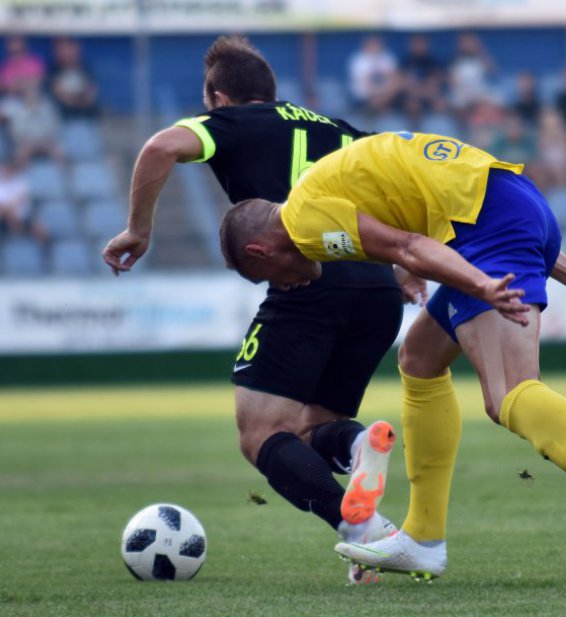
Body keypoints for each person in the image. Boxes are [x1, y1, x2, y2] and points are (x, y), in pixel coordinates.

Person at [218, 131, 566, 583]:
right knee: (419, 358)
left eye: (267, 277)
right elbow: (439, 197)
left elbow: (410, 246)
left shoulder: (304, 223)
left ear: (260, 250)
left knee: (510, 395)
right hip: (516, 202)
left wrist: (479, 283)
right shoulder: (317, 185)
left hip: (489, 227)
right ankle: (422, 539)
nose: (282, 286)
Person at [101, 36, 418, 584]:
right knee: (317, 425)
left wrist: (138, 229)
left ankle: (367, 534)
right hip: (378, 290)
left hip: (308, 282)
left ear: (218, 98)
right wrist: (411, 260)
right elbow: (403, 186)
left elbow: (158, 149)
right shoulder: (339, 129)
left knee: (261, 434)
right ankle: (356, 445)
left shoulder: (235, 123)